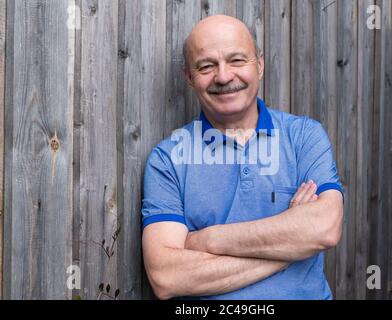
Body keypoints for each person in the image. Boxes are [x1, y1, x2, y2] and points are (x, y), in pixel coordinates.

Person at [141, 14, 344, 300]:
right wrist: (290, 247)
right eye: (207, 66)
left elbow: (324, 229)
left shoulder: (304, 137)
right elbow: (167, 277)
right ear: (189, 77)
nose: (223, 76)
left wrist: (207, 239)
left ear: (259, 65)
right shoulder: (168, 159)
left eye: (237, 60)